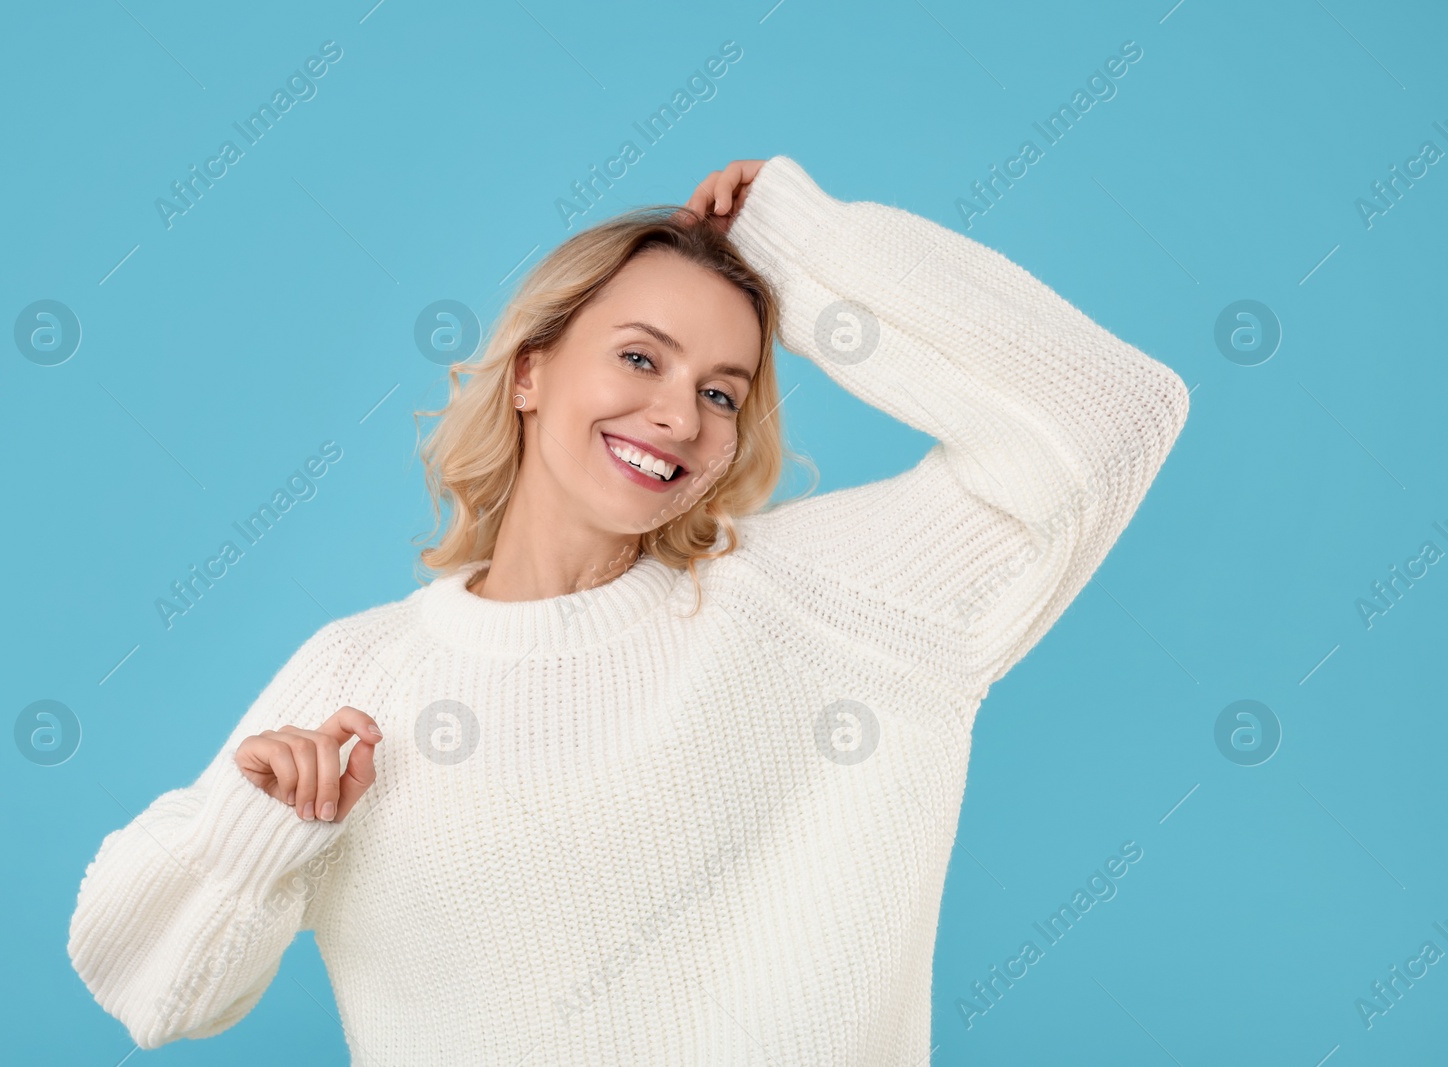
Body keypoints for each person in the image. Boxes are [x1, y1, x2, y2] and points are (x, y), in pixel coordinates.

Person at [68, 155, 1190, 1064]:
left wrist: (797, 248)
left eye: (720, 391)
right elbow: (150, 986)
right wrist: (260, 836)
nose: (676, 415)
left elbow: (1117, 418)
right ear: (529, 370)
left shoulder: (834, 600)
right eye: (640, 356)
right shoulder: (367, 674)